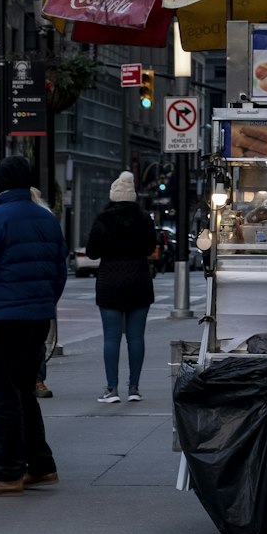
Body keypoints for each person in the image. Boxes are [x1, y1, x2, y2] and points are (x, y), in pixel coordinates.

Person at [0, 155, 66, 495]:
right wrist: (43, 302)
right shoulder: (47, 219)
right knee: (25, 392)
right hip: (38, 316)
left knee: (4, 394)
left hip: (6, 317)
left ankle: (9, 472)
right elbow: (59, 272)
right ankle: (41, 465)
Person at [85, 170, 157, 405]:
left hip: (110, 281)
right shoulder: (145, 218)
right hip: (138, 279)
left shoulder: (103, 219)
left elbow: (92, 252)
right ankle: (134, 388)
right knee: (136, 337)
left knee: (111, 338)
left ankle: (111, 389)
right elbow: (149, 249)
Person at [30, 187, 56, 399]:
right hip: (39, 295)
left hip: (9, 298)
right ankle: (38, 380)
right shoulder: (47, 221)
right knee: (37, 343)